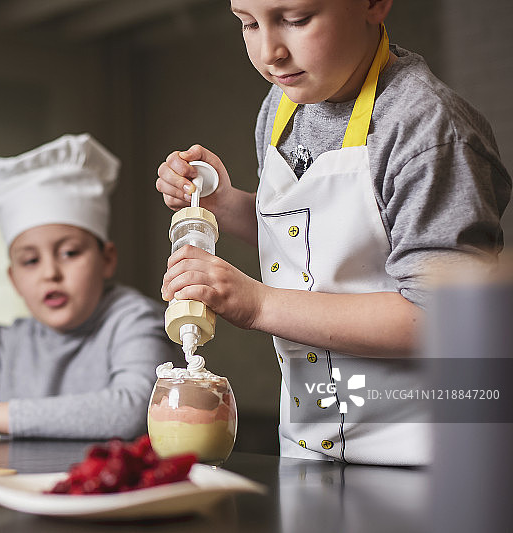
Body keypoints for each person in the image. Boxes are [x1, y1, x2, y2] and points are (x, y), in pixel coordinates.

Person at [155, 0, 511, 465]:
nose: (270, 51)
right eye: (248, 23)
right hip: (310, 447)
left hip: (427, 457)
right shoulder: (281, 109)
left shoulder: (425, 130)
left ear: (373, 5)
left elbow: (444, 319)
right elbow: (309, 243)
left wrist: (258, 303)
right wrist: (225, 203)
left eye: (296, 20)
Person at [0, 133, 181, 440]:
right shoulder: (9, 344)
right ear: (13, 279)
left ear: (107, 258)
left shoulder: (134, 320)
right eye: (30, 261)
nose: (50, 273)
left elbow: (137, 408)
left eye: (70, 253)